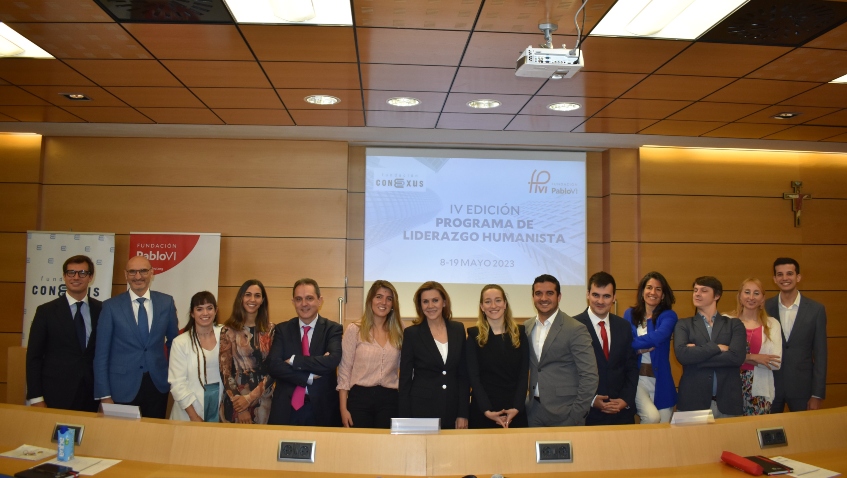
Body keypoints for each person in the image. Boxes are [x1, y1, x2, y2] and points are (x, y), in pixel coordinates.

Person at [93, 255, 179, 418]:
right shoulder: (111, 307)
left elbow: (175, 345)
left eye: (143, 271)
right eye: (132, 272)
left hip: (157, 385)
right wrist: (104, 395)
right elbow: (101, 355)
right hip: (121, 388)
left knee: (154, 437)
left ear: (152, 273)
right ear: (126, 275)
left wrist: (173, 376)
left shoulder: (166, 303)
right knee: (124, 439)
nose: (138, 276)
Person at [26, 255, 102, 412]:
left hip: (91, 395)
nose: (76, 277)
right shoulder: (45, 312)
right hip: (55, 394)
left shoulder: (102, 310)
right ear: (64, 276)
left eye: (82, 273)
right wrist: (36, 398)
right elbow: (34, 357)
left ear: (90, 277)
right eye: (70, 273)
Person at [525, 274, 598, 427]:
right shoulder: (526, 327)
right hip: (533, 412)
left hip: (566, 413)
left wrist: (577, 415)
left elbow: (590, 376)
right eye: (538, 293)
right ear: (532, 297)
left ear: (559, 296)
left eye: (549, 293)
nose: (543, 298)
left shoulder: (575, 328)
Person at [268, 278, 343, 427]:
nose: (304, 304)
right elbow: (273, 365)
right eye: (299, 299)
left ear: (320, 300)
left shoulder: (332, 329)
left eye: (309, 298)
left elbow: (332, 360)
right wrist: (308, 376)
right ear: (293, 302)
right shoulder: (282, 329)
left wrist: (294, 361)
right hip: (286, 409)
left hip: (322, 409)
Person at [399, 281, 469, 429]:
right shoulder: (412, 334)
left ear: (444, 302)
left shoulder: (458, 329)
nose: (430, 306)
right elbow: (405, 379)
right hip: (420, 411)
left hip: (452, 409)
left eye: (435, 300)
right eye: (425, 302)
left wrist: (463, 413)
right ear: (420, 306)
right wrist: (405, 418)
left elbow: (463, 375)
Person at [673, 276, 746, 418]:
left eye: (704, 290)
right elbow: (682, 355)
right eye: (695, 290)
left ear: (717, 295)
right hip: (692, 402)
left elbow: (737, 358)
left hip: (728, 403)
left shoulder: (734, 324)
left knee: (729, 441)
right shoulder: (683, 324)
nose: (697, 294)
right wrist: (717, 347)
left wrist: (696, 357)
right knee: (692, 441)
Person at [573, 272, 638, 426]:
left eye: (606, 296)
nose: (600, 301)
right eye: (596, 295)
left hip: (621, 413)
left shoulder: (624, 326)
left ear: (614, 297)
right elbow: (569, 372)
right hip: (588, 414)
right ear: (588, 294)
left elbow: (631, 367)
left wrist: (625, 400)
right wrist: (592, 399)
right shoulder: (573, 326)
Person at [337, 280, 404, 429]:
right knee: (359, 448)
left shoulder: (400, 332)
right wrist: (343, 408)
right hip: (360, 399)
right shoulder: (355, 329)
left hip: (390, 400)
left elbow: (405, 369)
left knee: (385, 448)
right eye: (379, 297)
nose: (383, 302)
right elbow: (344, 370)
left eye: (389, 299)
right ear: (370, 300)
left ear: (393, 304)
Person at [764, 258, 827, 412]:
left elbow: (820, 355)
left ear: (798, 277)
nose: (785, 278)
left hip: (803, 389)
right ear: (774, 279)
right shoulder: (764, 308)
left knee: (806, 434)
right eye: (780, 274)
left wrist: (817, 394)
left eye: (789, 274)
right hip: (770, 386)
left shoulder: (816, 310)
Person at [466, 284, 529, 429]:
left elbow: (523, 375)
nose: (493, 305)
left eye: (498, 300)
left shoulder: (520, 333)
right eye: (487, 301)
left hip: (514, 412)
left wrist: (517, 407)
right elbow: (474, 378)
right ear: (482, 306)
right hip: (483, 412)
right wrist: (487, 410)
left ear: (505, 304)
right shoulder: (473, 336)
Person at [624, 271, 678, 424]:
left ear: (663, 295)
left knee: (663, 428)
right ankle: (639, 448)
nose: (653, 292)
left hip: (661, 381)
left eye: (658, 289)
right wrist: (637, 348)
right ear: (642, 292)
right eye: (649, 287)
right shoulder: (630, 314)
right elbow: (623, 343)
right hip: (637, 379)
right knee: (652, 417)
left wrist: (634, 344)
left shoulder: (668, 316)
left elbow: (659, 336)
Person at [219, 279, 275, 424]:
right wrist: (241, 408)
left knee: (263, 445)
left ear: (262, 300)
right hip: (235, 401)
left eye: (257, 296)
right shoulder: (228, 330)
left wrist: (250, 398)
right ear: (241, 298)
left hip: (264, 400)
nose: (252, 299)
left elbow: (274, 369)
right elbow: (225, 372)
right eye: (248, 295)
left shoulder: (271, 330)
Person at [728, 278, 782, 416]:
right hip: (729, 387)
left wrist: (737, 357)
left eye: (756, 293)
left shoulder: (772, 324)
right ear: (740, 296)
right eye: (747, 292)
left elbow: (776, 363)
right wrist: (753, 357)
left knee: (754, 432)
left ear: (763, 299)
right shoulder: (726, 321)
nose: (751, 297)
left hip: (760, 390)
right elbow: (720, 356)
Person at [168, 291, 223, 422]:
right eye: (199, 309)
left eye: (209, 308)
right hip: (189, 409)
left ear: (216, 311)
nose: (205, 313)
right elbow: (177, 384)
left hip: (219, 405)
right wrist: (194, 416)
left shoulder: (225, 334)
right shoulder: (180, 342)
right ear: (192, 313)